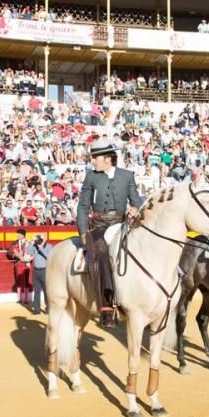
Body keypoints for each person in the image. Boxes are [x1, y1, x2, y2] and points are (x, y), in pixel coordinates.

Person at [76, 139, 142, 327]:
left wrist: (135, 208)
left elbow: (136, 200)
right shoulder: (91, 177)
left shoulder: (127, 176)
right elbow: (82, 206)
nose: (92, 161)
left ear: (107, 159)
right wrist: (82, 231)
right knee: (103, 253)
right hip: (98, 226)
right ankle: (107, 304)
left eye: (95, 158)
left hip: (121, 224)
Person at [28, 233, 53, 315]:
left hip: (45, 270)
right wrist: (31, 243)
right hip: (36, 271)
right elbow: (28, 252)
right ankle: (36, 309)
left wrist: (41, 248)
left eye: (40, 239)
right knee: (37, 291)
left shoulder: (49, 246)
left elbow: (49, 256)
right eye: (37, 239)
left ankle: (48, 308)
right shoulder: (34, 246)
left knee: (46, 291)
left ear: (44, 240)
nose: (38, 241)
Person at [8, 228, 31, 305]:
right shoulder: (14, 243)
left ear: (23, 235)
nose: (17, 236)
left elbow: (32, 252)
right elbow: (9, 253)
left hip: (26, 262)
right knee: (18, 279)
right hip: (18, 263)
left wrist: (24, 255)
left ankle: (26, 299)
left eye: (18, 234)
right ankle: (19, 298)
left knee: (26, 280)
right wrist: (14, 254)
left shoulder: (28, 243)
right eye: (17, 234)